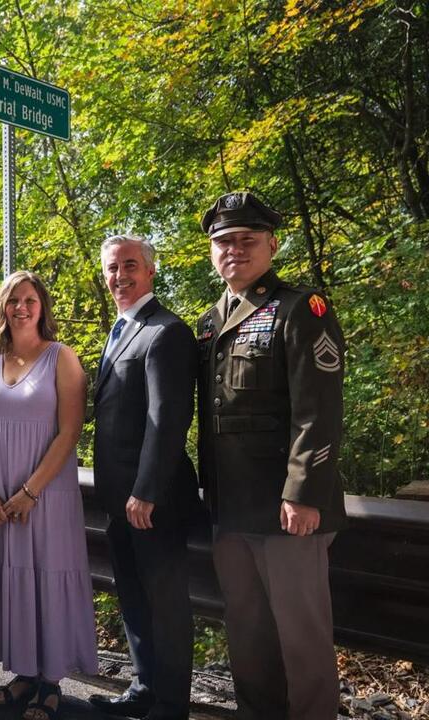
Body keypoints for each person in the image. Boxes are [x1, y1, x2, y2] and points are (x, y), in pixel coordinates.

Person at [196, 192, 346, 720]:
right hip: (230, 509)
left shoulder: (301, 309)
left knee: (302, 640)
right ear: (211, 251)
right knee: (248, 631)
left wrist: (304, 494)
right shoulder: (211, 321)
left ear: (272, 245)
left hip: (288, 513)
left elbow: (319, 412)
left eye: (246, 240)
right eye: (223, 242)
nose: (234, 250)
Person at [0, 271, 98, 720]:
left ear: (42, 307)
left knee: (47, 575)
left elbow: (70, 431)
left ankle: (51, 680)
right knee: (12, 577)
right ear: (2, 307)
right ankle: (24, 671)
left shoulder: (61, 357)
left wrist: (29, 491)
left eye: (30, 300)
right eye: (13, 300)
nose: (21, 307)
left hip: (47, 492)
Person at [87, 235, 201, 720]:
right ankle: (143, 687)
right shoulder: (121, 329)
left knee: (166, 602)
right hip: (119, 500)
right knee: (133, 595)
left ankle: (172, 704)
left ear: (150, 271)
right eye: (112, 268)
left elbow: (167, 419)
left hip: (152, 501)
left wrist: (146, 491)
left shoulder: (166, 331)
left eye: (130, 265)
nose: (120, 276)